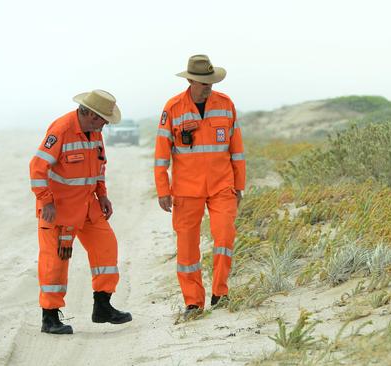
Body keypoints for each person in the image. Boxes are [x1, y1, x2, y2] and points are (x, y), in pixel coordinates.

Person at [29, 90, 132, 334]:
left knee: (107, 248)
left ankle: (103, 306)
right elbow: (37, 168)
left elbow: (99, 165)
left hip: (88, 206)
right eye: (101, 118)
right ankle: (50, 318)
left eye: (106, 119)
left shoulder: (96, 132)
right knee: (54, 264)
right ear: (86, 112)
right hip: (59, 211)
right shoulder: (61, 130)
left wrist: (102, 194)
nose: (104, 123)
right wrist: (46, 201)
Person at [154, 55, 245, 317]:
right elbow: (161, 155)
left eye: (211, 82)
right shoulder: (172, 108)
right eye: (204, 82)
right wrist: (163, 190)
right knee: (187, 247)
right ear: (191, 80)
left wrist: (239, 185)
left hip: (222, 186)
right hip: (186, 190)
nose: (209, 86)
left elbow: (236, 150)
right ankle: (193, 302)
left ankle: (220, 292)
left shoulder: (226, 105)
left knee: (224, 236)